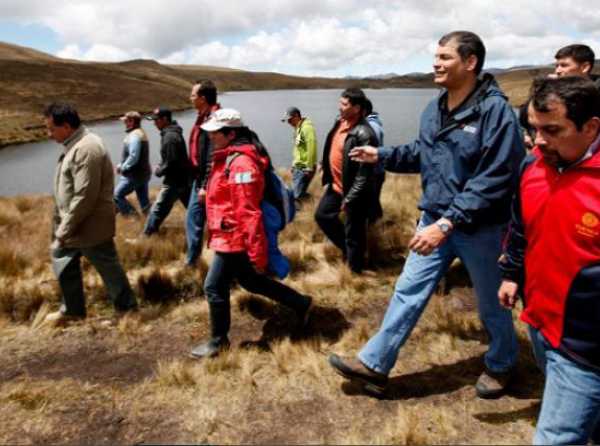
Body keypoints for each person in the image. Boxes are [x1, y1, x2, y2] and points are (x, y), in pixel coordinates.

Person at [328, 31, 524, 399]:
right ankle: (376, 363)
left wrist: (449, 222)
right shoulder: (434, 109)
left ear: (470, 63)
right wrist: (381, 155)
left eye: (445, 57)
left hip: (479, 227)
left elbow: (495, 177)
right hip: (433, 219)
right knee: (407, 290)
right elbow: (424, 152)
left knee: (489, 301)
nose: (436, 63)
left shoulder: (496, 113)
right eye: (435, 56)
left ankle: (501, 364)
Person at [498, 76, 600, 445]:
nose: (538, 140)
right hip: (538, 321)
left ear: (591, 127)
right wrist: (511, 273)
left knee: (555, 437)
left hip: (584, 345)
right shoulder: (532, 167)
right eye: (534, 128)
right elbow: (522, 226)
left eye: (552, 130)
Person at [189, 108, 312, 359]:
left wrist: (258, 254)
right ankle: (301, 303)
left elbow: (248, 212)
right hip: (228, 235)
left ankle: (218, 341)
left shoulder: (242, 163)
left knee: (213, 287)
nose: (210, 137)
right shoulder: (227, 157)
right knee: (250, 281)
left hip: (235, 238)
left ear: (231, 133)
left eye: (215, 133)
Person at [43, 103, 137, 324]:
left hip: (89, 226)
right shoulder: (74, 144)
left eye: (51, 129)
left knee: (108, 267)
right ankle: (72, 311)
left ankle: (128, 312)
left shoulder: (87, 148)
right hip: (72, 223)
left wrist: (63, 230)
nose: (48, 135)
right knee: (63, 263)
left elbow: (84, 195)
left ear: (66, 126)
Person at [314, 87, 380, 274]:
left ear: (357, 108)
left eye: (344, 104)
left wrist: (350, 198)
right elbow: (331, 145)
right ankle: (349, 250)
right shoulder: (339, 122)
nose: (339, 107)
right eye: (340, 102)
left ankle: (354, 270)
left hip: (354, 191)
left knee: (354, 232)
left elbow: (364, 174)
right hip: (335, 186)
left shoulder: (365, 134)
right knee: (322, 216)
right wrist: (323, 164)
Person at [185, 80, 220, 266]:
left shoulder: (213, 120)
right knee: (198, 220)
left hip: (207, 182)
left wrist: (204, 186)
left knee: (194, 220)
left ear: (203, 99)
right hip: (200, 180)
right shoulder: (205, 117)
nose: (190, 98)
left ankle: (192, 263)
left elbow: (212, 157)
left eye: (193, 95)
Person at [143, 107, 192, 236]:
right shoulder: (172, 133)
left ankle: (146, 236)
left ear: (165, 119)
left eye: (156, 120)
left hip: (174, 181)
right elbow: (171, 159)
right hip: (183, 179)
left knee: (157, 209)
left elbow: (171, 162)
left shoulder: (169, 137)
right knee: (195, 210)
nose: (154, 123)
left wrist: (158, 171)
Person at [113, 111, 151, 216]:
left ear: (132, 121)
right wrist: (121, 165)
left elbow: (133, 156)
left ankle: (133, 218)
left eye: (126, 121)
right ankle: (150, 222)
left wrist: (123, 167)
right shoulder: (140, 133)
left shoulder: (134, 136)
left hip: (134, 175)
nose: (124, 123)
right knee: (144, 202)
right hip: (143, 173)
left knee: (117, 195)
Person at [281, 106, 317, 202]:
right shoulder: (299, 128)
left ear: (296, 116)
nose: (288, 122)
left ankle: (311, 206)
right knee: (298, 193)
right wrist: (294, 164)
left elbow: (311, 147)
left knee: (297, 196)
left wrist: (309, 167)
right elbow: (299, 149)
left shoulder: (306, 128)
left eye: (290, 120)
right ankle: (311, 205)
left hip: (304, 168)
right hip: (298, 167)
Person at [363, 98, 385, 216]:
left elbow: (370, 149)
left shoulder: (371, 126)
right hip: (376, 171)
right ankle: (379, 224)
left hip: (374, 172)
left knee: (371, 203)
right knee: (374, 202)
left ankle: (375, 228)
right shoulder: (373, 123)